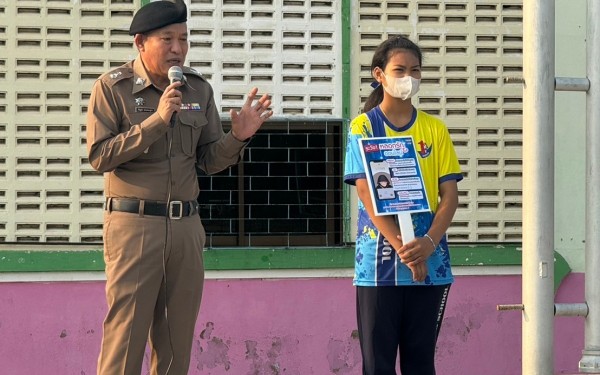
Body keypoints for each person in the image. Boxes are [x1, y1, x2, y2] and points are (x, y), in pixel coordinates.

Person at [86, 1, 273, 373]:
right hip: (134, 226)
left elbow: (209, 160)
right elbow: (100, 156)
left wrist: (238, 137)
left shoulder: (197, 89)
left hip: (186, 228)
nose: (178, 48)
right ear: (140, 42)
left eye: (184, 39)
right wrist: (156, 122)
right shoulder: (113, 88)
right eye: (167, 39)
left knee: (176, 343)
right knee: (125, 341)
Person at [343, 35, 462, 375]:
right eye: (399, 70)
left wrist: (427, 244)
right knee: (377, 366)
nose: (408, 77)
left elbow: (449, 196)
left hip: (431, 265)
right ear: (379, 74)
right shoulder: (364, 126)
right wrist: (403, 248)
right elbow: (365, 192)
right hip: (379, 268)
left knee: (421, 363)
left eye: (415, 70)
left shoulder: (434, 129)